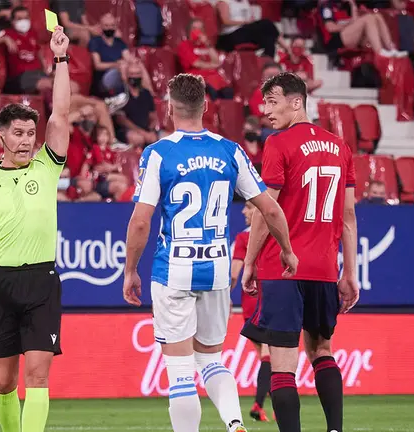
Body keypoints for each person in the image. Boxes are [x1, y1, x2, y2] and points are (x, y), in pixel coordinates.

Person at [122, 73, 297, 432]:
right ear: (205, 107)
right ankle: (234, 422)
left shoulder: (158, 154)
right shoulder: (230, 150)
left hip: (174, 270)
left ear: (170, 109)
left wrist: (130, 270)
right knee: (212, 360)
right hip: (216, 270)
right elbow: (271, 208)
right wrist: (286, 250)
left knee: (181, 372)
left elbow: (141, 221)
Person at [0, 26, 70, 432]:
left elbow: (61, 114)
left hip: (42, 282)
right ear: (1, 136)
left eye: (30, 134)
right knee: (4, 382)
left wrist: (60, 59)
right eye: (18, 134)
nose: (26, 141)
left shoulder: (47, 165)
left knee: (38, 376)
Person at [240, 72, 360, 432]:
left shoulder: (278, 144)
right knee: (322, 351)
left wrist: (248, 263)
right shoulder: (341, 147)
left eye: (272, 102)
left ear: (297, 102)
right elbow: (349, 216)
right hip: (324, 268)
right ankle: (335, 430)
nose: (266, 111)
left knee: (282, 364)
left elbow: (268, 209)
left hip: (283, 268)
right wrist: (349, 272)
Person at [230, 201, 272, 423]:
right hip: (269, 301)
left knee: (268, 358)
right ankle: (258, 404)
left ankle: (272, 405)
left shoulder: (244, 239)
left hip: (250, 305)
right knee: (269, 355)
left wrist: (225, 295)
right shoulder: (274, 233)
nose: (244, 211)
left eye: (248, 206)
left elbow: (234, 273)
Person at [0, 7, 53, 95]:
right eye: (19, 19)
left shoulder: (33, 33)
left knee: (70, 85)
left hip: (38, 73)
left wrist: (45, 70)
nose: (23, 21)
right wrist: (5, 39)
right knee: (49, 85)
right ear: (12, 21)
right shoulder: (8, 33)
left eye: (26, 18)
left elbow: (39, 52)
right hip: (20, 77)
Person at [318, 0, 407, 57]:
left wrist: (353, 5)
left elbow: (355, 21)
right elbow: (330, 28)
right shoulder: (327, 5)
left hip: (349, 36)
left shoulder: (346, 5)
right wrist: (349, 24)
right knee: (368, 18)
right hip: (334, 41)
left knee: (377, 16)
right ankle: (379, 51)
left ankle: (391, 48)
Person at [177, 18, 234, 100]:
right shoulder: (184, 45)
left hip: (215, 80)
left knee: (228, 92)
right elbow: (197, 64)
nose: (198, 31)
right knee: (212, 90)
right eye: (195, 28)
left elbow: (216, 60)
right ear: (189, 31)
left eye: (201, 29)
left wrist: (207, 44)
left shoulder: (206, 45)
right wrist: (214, 65)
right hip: (197, 80)